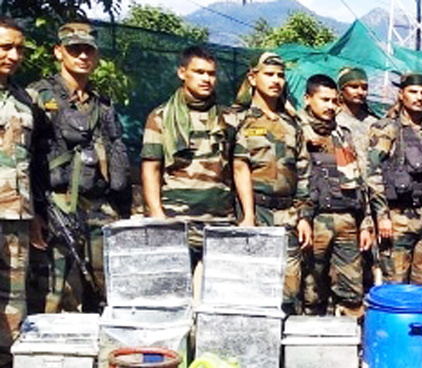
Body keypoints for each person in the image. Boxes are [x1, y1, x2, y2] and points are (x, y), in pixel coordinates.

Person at [28, 22, 129, 313]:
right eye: (75, 50)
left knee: (105, 290)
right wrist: (36, 210)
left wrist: (123, 213)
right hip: (57, 205)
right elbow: (27, 156)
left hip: (99, 209)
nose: (82, 56)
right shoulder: (38, 96)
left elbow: (117, 155)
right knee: (55, 294)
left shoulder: (103, 104)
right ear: (59, 52)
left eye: (89, 50)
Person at [143, 45, 248, 271]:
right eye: (199, 72)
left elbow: (240, 167)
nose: (206, 79)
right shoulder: (160, 117)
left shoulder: (229, 118)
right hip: (176, 220)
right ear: (182, 73)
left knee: (219, 296)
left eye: (211, 73)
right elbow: (151, 168)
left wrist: (248, 215)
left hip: (221, 221)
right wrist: (156, 213)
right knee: (175, 294)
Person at [231, 52, 311, 315]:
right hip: (254, 213)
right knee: (252, 287)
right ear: (253, 78)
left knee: (289, 292)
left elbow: (303, 171)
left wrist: (303, 216)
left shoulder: (292, 124)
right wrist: (248, 216)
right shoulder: (236, 119)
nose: (276, 80)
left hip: (287, 215)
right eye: (269, 74)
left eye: (280, 75)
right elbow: (235, 167)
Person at [366, 72, 422, 287]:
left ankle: (417, 322)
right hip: (398, 219)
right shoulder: (386, 128)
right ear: (401, 94)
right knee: (395, 284)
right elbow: (373, 174)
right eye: (413, 92)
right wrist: (382, 215)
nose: (419, 97)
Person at [0, 18, 47, 368]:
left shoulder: (24, 99)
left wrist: (35, 216)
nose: (13, 56)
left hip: (17, 215)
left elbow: (31, 161)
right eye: (5, 48)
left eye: (18, 49)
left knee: (14, 302)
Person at [299, 74, 372, 316]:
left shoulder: (343, 134)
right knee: (312, 289)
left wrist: (364, 222)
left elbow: (355, 178)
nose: (330, 106)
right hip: (315, 220)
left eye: (334, 101)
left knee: (352, 291)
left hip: (347, 220)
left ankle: (349, 343)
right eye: (324, 100)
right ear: (308, 99)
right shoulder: (298, 131)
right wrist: (303, 218)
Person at [334, 66, 382, 288]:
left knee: (369, 262)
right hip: (340, 200)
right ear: (341, 90)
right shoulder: (333, 121)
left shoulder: (374, 124)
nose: (360, 92)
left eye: (364, 87)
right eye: (353, 87)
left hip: (370, 199)